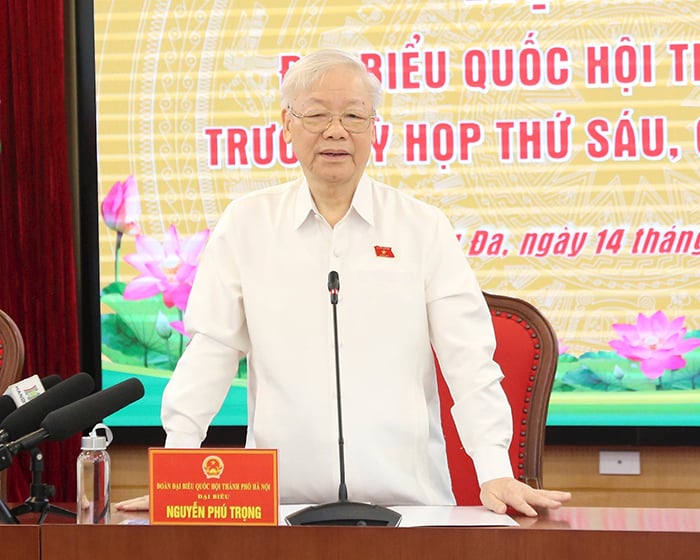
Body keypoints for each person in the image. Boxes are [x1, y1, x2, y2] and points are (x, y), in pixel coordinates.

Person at [116, 48, 570, 516]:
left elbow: (468, 361)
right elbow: (211, 351)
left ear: (374, 128)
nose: (336, 130)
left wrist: (494, 467)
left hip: (410, 506)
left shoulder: (421, 227)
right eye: (317, 115)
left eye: (354, 115)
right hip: (280, 505)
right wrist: (179, 464)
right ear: (286, 124)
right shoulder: (247, 225)